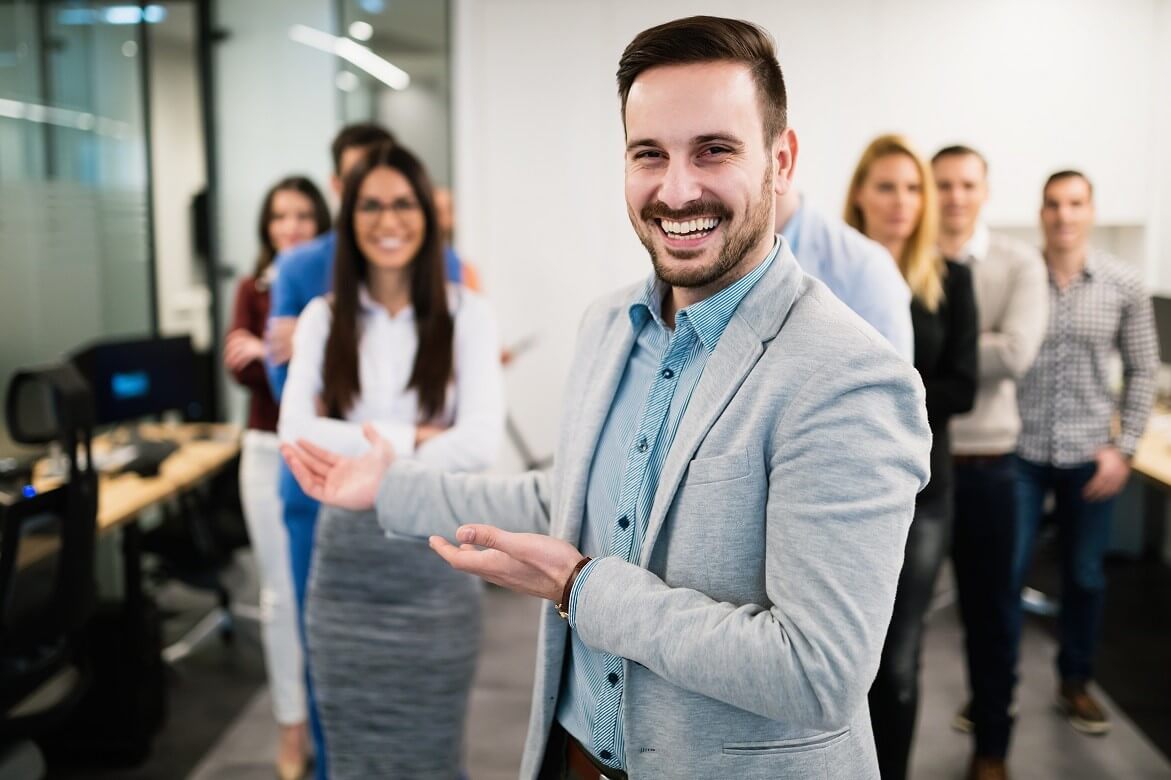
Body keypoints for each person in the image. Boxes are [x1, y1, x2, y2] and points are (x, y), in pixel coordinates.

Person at [283, 16, 931, 779]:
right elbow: (567, 501)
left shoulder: (847, 374)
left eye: (713, 150)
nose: (676, 188)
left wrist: (579, 586)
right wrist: (388, 487)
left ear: (780, 161)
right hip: (573, 756)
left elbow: (815, 670)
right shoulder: (608, 326)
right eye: (647, 155)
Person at [277, 142, 505, 779]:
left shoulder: (469, 316)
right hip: (345, 576)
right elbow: (297, 432)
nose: (388, 220)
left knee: (432, 756)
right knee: (350, 758)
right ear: (350, 220)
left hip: (435, 564)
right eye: (371, 205)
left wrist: (368, 442)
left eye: (403, 204)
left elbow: (481, 443)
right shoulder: (323, 318)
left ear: (428, 216)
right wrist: (422, 438)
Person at [263, 122, 396, 777]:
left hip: (402, 492)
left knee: (406, 657)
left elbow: (449, 394)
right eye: (359, 182)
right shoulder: (299, 267)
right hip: (314, 490)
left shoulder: (438, 264)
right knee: (328, 647)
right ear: (340, 187)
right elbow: (290, 393)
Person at [845, 134, 978, 780]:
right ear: (859, 197)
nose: (902, 201)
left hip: (921, 497)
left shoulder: (949, 280)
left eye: (911, 187)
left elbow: (963, 383)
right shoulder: (827, 276)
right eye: (886, 186)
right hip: (835, 491)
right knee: (837, 658)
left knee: (895, 662)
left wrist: (881, 402)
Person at [1014, 170, 1158, 738]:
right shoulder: (1020, 277)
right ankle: (992, 691)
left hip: (1089, 457)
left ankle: (1075, 682)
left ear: (1091, 211)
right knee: (1003, 572)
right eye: (1053, 204)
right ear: (1041, 212)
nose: (1064, 215)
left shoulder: (1124, 284)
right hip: (1019, 453)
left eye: (1075, 204)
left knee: (1085, 575)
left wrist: (1124, 450)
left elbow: (1145, 368)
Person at [932, 145, 1049, 780]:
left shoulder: (1017, 262)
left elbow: (1017, 353)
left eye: (966, 185)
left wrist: (933, 347)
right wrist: (967, 352)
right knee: (898, 624)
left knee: (992, 612)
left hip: (988, 465)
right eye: (943, 184)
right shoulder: (908, 259)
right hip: (918, 467)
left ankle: (993, 749)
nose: (954, 197)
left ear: (985, 190)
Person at [224, 175, 329, 780]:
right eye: (279, 216)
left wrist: (287, 349)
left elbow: (325, 377)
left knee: (322, 594)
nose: (290, 227)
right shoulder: (253, 288)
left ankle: (326, 718)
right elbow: (250, 378)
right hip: (265, 450)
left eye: (302, 216)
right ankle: (291, 728)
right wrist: (275, 355)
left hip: (321, 451)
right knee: (279, 597)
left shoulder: (332, 288)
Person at [775, 185, 914, 360]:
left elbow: (893, 380)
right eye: (886, 188)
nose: (900, 201)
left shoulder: (869, 267)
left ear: (784, 161)